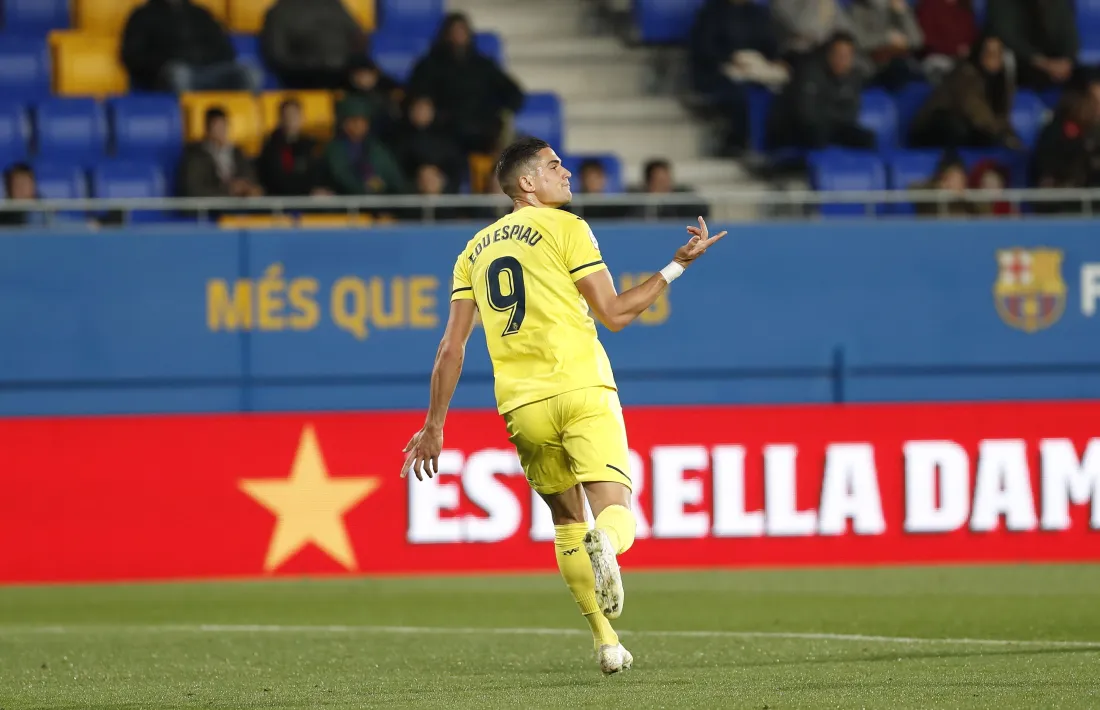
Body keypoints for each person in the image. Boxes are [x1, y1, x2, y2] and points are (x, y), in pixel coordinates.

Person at [399, 137, 726, 675]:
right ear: (527, 183)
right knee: (615, 515)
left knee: (566, 522)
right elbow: (616, 314)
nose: (566, 172)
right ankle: (608, 544)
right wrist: (675, 267)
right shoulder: (567, 226)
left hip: (520, 407)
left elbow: (450, 347)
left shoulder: (473, 251)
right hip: (580, 387)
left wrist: (434, 425)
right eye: (554, 166)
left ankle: (605, 640)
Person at [407, 13, 525, 155]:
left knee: (519, 147)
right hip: (446, 128)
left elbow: (513, 92)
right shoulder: (429, 66)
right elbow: (418, 96)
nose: (458, 36)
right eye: (454, 31)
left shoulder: (483, 65)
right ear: (445, 34)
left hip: (484, 126)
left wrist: (504, 109)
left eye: (462, 31)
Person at [121, 0, 260, 93]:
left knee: (250, 73)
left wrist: (204, 59)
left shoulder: (200, 13)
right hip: (171, 76)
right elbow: (133, 56)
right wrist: (163, 65)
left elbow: (226, 50)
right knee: (179, 74)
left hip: (209, 72)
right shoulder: (143, 15)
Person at [909, 35, 1020, 150]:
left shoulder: (1001, 80)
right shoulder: (965, 74)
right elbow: (975, 112)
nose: (994, 59)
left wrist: (1010, 135)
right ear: (979, 53)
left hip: (974, 126)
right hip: (936, 124)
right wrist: (1002, 135)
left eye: (998, 54)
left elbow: (1003, 114)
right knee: (959, 128)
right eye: (989, 53)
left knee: (988, 137)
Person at [769, 32, 875, 150]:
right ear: (828, 54)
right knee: (817, 133)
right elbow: (807, 114)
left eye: (846, 56)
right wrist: (836, 112)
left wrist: (827, 112)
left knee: (867, 139)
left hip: (832, 129)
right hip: (799, 131)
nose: (842, 60)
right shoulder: (810, 72)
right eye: (838, 54)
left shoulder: (854, 77)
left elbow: (851, 114)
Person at [260, 0, 366, 89]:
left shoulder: (333, 5)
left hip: (345, 72)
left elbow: (358, 36)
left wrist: (356, 63)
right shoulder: (280, 11)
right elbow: (276, 55)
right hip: (307, 75)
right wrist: (312, 65)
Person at [321, 96, 408, 197]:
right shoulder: (334, 149)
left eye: (363, 121)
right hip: (346, 204)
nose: (358, 126)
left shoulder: (376, 147)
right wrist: (364, 187)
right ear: (344, 123)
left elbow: (394, 178)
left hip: (379, 203)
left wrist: (381, 187)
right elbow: (341, 176)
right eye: (354, 121)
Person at [986, 0, 1077, 89]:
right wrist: (1044, 63)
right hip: (1021, 63)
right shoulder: (1003, 4)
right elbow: (1007, 37)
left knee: (1087, 78)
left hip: (1057, 65)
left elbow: (1069, 33)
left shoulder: (1057, 3)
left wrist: (1067, 60)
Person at [178, 107, 263, 198]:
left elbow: (251, 179)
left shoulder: (237, 153)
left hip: (241, 206)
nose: (222, 131)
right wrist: (228, 190)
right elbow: (194, 190)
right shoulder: (196, 156)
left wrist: (247, 187)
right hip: (210, 209)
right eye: (217, 127)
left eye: (224, 126)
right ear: (207, 129)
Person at [256, 98, 326, 197]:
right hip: (277, 201)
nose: (290, 120)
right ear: (280, 119)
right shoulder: (270, 147)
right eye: (286, 116)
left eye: (294, 115)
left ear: (302, 118)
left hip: (307, 201)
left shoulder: (311, 146)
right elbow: (273, 178)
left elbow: (315, 176)